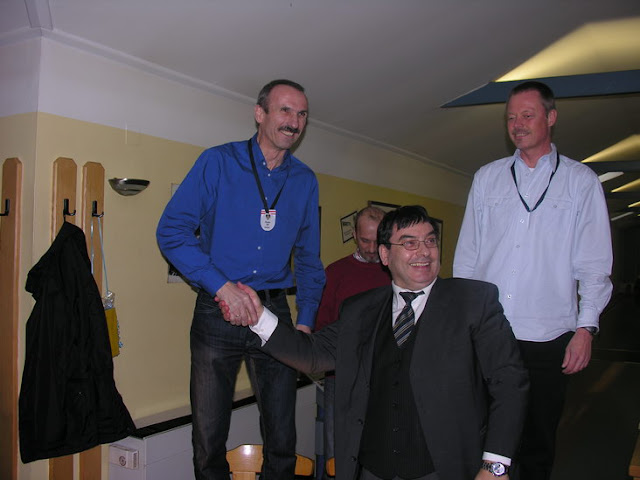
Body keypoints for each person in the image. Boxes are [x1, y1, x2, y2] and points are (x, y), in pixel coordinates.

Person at [222, 205, 529, 480]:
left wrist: (495, 465)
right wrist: (259, 317)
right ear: (385, 254)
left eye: (430, 241)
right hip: (372, 468)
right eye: (409, 243)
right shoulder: (361, 310)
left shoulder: (473, 301)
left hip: (444, 468)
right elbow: (312, 353)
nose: (424, 252)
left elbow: (510, 383)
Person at [156, 79, 325, 480]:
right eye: (285, 110)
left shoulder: (305, 180)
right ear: (260, 113)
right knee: (208, 435)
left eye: (302, 114)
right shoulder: (217, 162)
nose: (294, 121)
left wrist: (305, 323)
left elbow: (309, 259)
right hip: (217, 309)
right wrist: (222, 286)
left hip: (275, 313)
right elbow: (171, 231)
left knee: (283, 435)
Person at [453, 81, 613, 480]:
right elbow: (468, 258)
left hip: (548, 335)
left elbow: (594, 263)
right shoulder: (488, 178)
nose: (517, 124)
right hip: (489, 331)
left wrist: (586, 328)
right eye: (511, 117)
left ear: (551, 118)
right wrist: (460, 321)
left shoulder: (580, 181)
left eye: (527, 115)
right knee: (481, 436)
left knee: (536, 443)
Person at [315, 205, 391, 478]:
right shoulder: (335, 273)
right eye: (365, 240)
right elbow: (321, 329)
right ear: (354, 236)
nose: (371, 249)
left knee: (382, 453)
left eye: (377, 241)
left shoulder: (396, 273)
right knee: (338, 454)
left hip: (385, 379)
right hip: (342, 379)